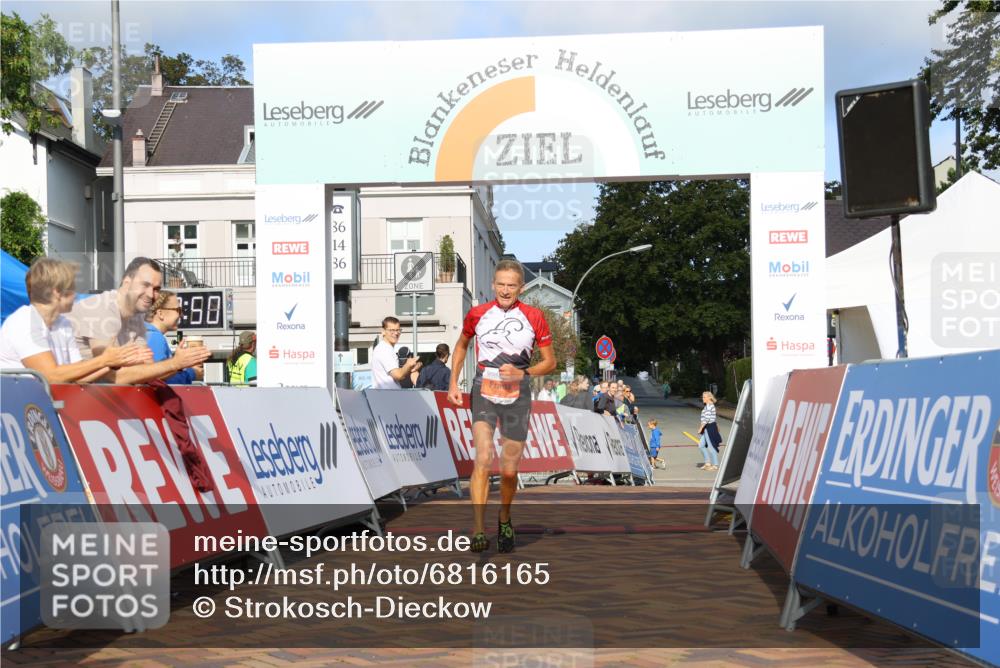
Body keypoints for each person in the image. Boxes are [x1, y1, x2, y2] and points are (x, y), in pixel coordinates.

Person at [448, 260, 556, 553]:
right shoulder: (477, 314)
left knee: (509, 470)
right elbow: (461, 346)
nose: (506, 290)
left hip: (517, 392)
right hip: (484, 386)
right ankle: (479, 528)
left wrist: (525, 373)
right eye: (501, 284)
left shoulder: (534, 317)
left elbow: (550, 362)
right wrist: (454, 383)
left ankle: (504, 517)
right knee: (483, 457)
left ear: (520, 288)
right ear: (493, 285)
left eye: (512, 285)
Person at [0, 258, 147, 383]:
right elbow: (50, 376)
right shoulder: (24, 322)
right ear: (57, 292)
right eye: (72, 288)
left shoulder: (62, 323)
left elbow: (77, 376)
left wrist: (114, 362)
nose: (76, 295)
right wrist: (105, 360)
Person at [67, 257, 210, 383]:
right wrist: (176, 364)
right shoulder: (103, 308)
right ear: (126, 282)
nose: (150, 294)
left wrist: (179, 365)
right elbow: (114, 376)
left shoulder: (136, 317)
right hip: (66, 401)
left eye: (156, 289)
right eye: (145, 285)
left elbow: (147, 370)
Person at [145, 290, 201, 385]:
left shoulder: (146, 334)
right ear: (160, 313)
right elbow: (159, 381)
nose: (182, 315)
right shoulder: (155, 338)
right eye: (178, 310)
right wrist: (192, 373)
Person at [372, 317, 422, 389]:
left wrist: (411, 368)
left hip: (388, 396)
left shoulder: (386, 348)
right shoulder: (384, 350)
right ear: (383, 331)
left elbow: (399, 374)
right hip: (387, 397)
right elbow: (398, 375)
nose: (396, 333)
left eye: (398, 330)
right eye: (391, 330)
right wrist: (408, 364)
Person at [697, 391, 722, 471]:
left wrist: (701, 428)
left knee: (711, 447)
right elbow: (712, 417)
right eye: (703, 397)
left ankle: (715, 465)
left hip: (709, 428)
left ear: (709, 398)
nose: (703, 398)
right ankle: (707, 463)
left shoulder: (709, 406)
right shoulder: (708, 405)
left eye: (704, 397)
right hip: (708, 427)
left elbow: (707, 419)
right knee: (701, 445)